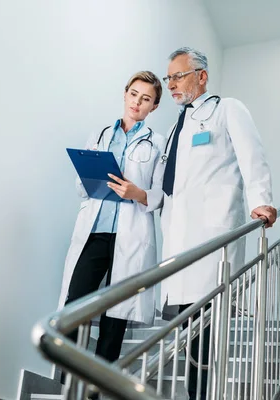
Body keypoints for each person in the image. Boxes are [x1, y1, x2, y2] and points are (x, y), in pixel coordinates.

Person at [157, 47, 277, 400]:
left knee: (205, 329)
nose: (173, 85)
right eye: (170, 78)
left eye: (179, 76)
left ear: (202, 76)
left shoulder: (227, 109)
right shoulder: (173, 130)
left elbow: (252, 157)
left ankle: (200, 395)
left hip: (211, 234)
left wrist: (262, 202)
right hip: (177, 237)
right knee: (184, 328)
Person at [57, 71, 166, 394]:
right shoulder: (102, 134)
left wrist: (137, 193)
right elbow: (81, 186)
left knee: (115, 317)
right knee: (75, 306)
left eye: (145, 99)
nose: (137, 102)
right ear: (125, 94)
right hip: (95, 231)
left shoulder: (158, 143)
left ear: (154, 107)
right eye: (134, 94)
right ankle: (68, 384)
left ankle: (95, 390)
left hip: (129, 236)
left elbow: (161, 194)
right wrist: (91, 180)